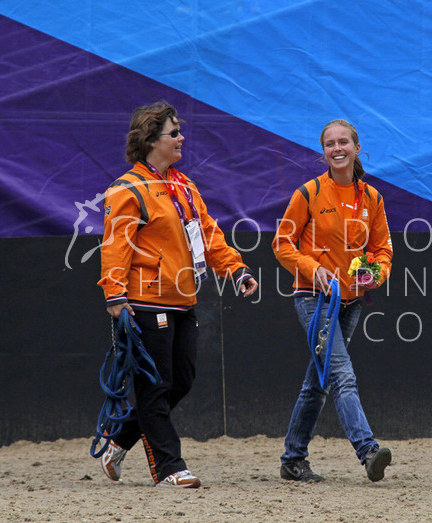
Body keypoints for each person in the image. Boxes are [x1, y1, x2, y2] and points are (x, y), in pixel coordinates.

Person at [97, 101, 258, 488]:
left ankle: (118, 442)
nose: (182, 137)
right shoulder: (127, 190)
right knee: (155, 387)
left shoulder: (184, 185)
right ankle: (169, 467)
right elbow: (115, 246)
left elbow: (208, 234)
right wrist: (115, 296)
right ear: (151, 140)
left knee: (180, 381)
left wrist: (236, 269)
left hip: (184, 300)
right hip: (144, 302)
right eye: (174, 132)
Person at [271, 119, 394, 483]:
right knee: (341, 374)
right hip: (314, 299)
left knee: (319, 382)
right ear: (323, 151)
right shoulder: (308, 193)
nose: (337, 149)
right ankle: (368, 449)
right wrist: (313, 269)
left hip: (352, 301)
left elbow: (382, 249)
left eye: (343, 142)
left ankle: (293, 459)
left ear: (357, 148)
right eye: (330, 144)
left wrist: (376, 273)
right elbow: (282, 244)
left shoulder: (372, 198)